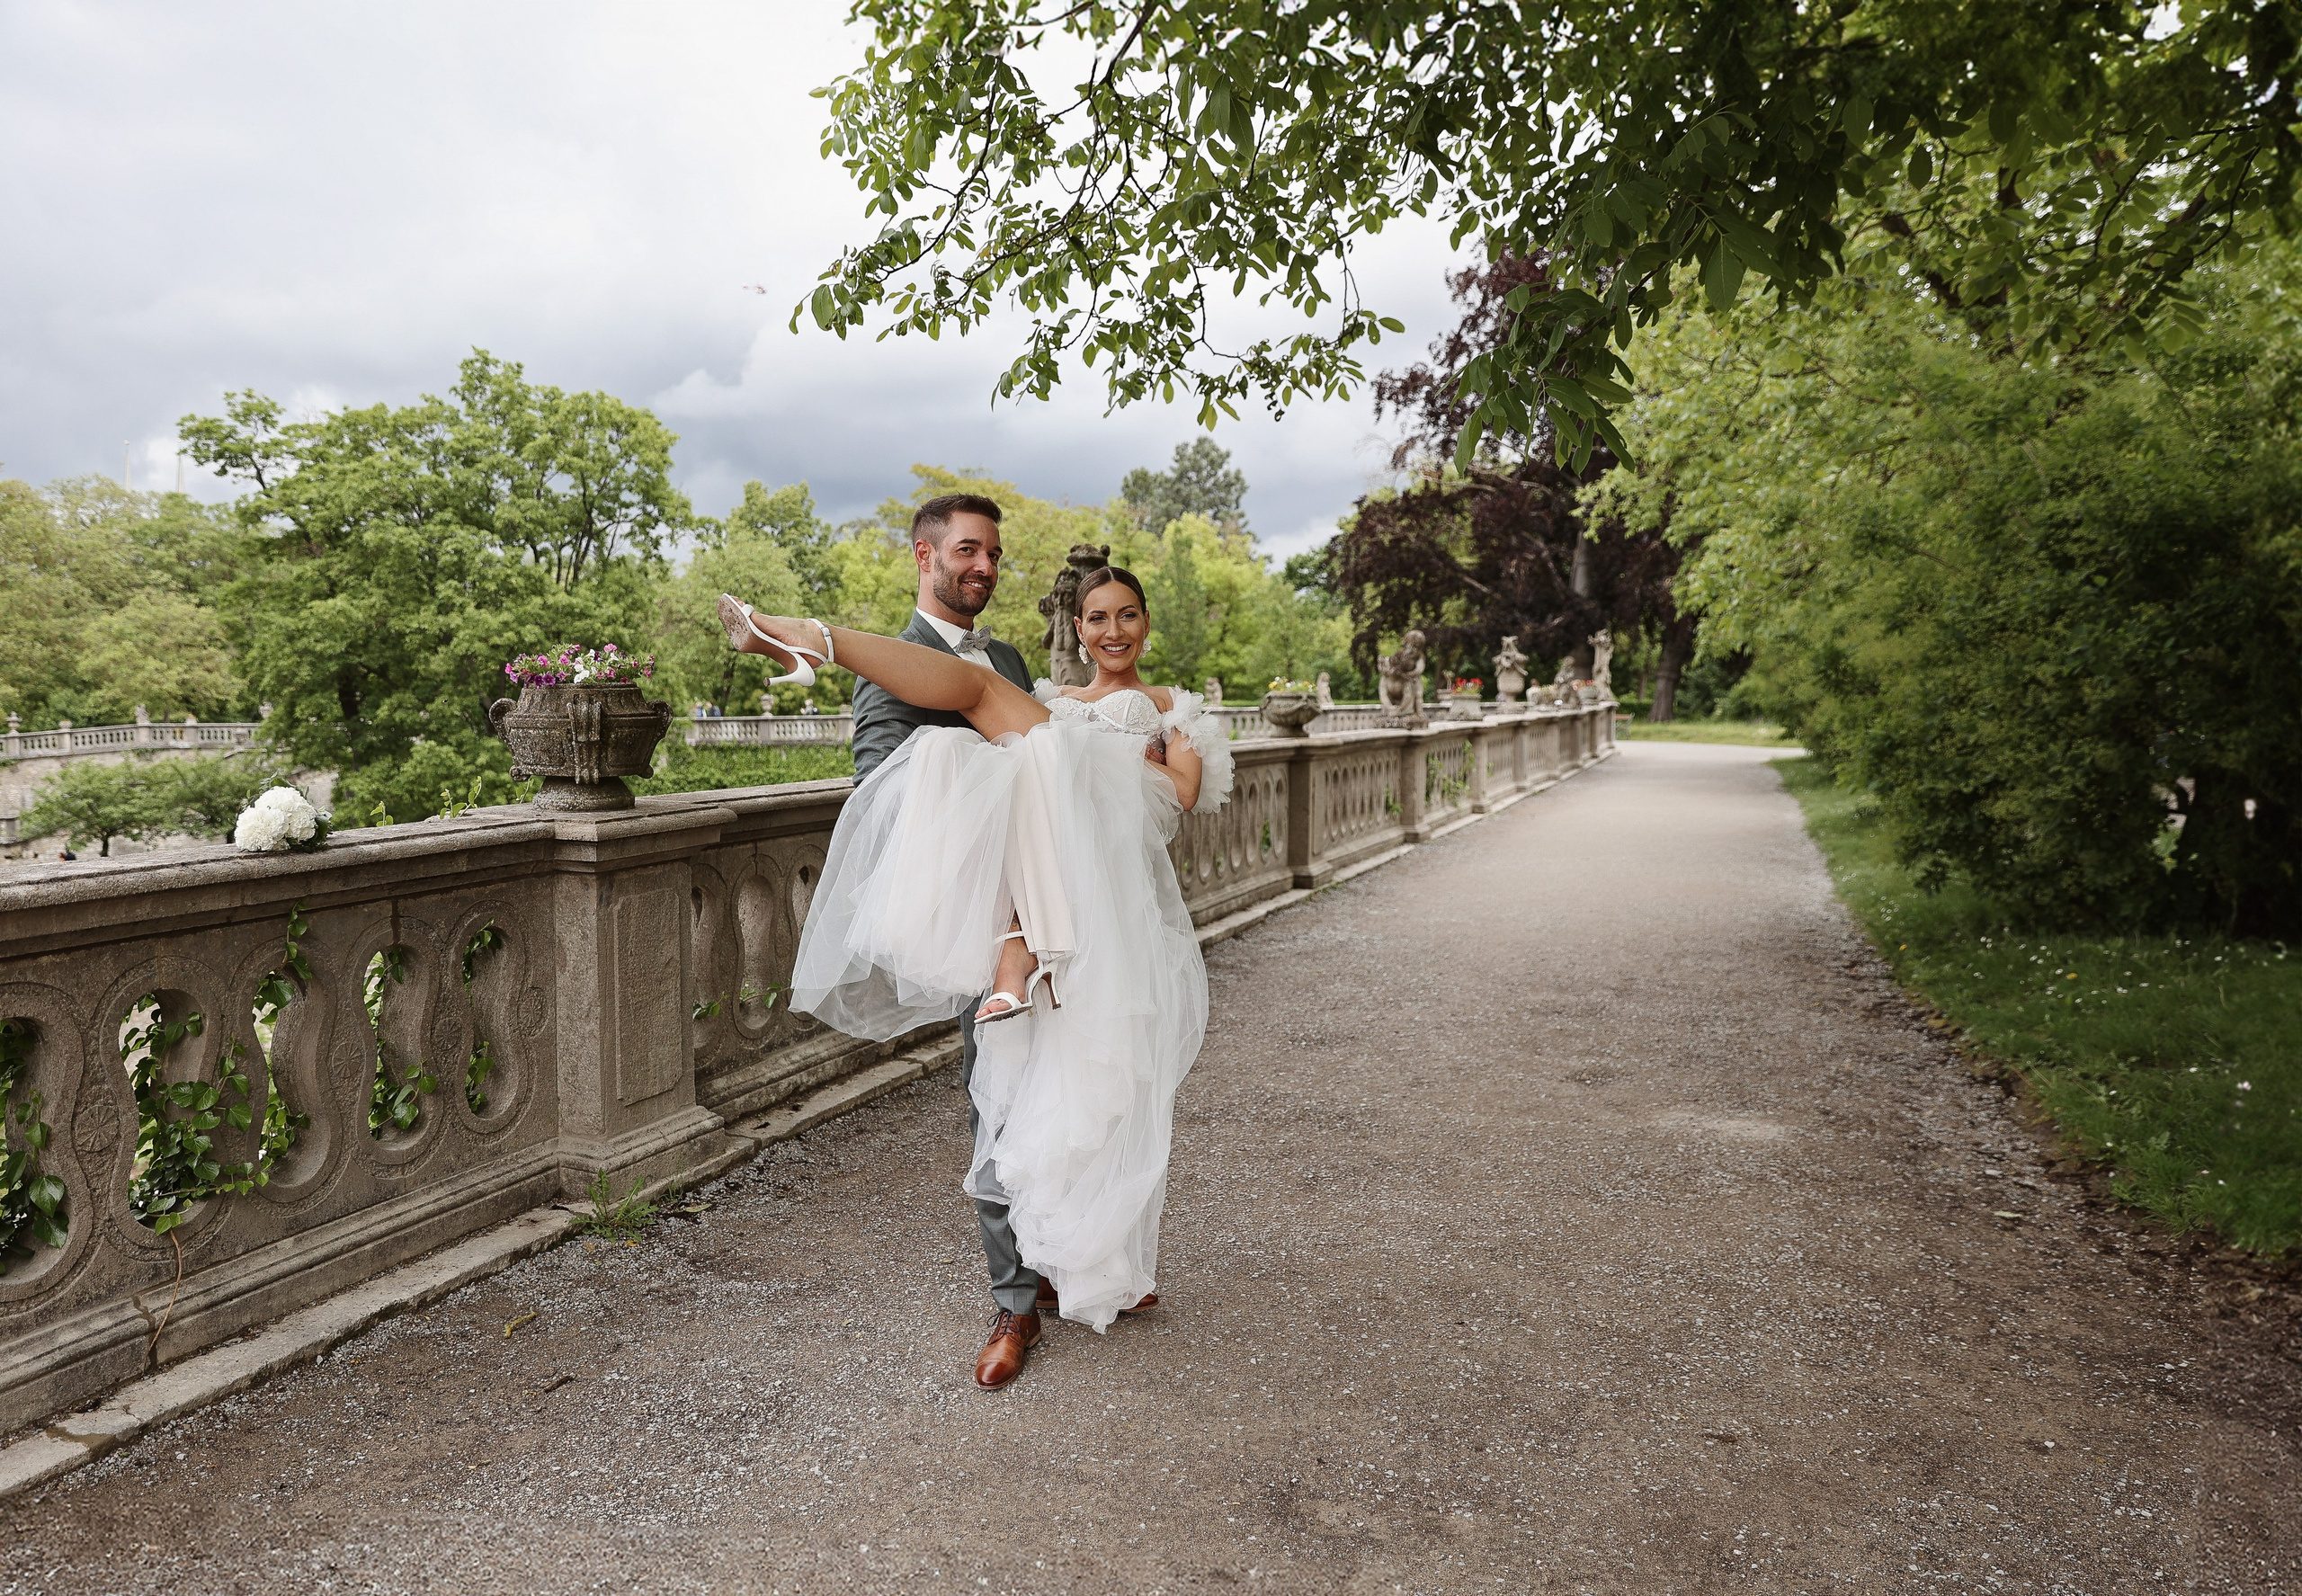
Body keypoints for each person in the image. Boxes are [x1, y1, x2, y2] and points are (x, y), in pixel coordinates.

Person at [718, 559, 1233, 1391]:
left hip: (1107, 862)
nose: (1113, 630)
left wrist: (1115, 762)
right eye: (1098, 617)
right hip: (1057, 865)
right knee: (961, 745)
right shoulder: (1055, 698)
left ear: (1145, 623)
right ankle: (1019, 1293)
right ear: (1077, 630)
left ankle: (812, 639)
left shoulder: (1173, 705)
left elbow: (1179, 796)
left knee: (1100, 1090)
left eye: (1127, 615)